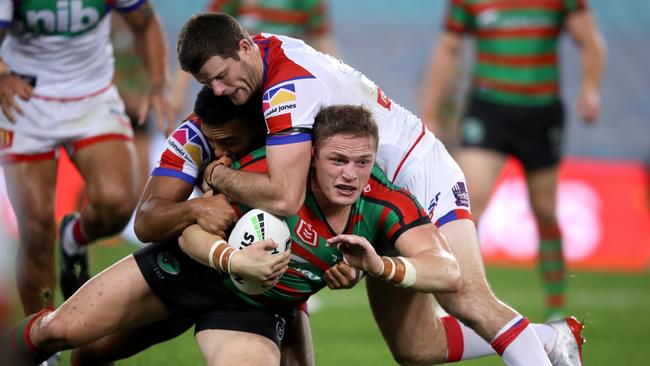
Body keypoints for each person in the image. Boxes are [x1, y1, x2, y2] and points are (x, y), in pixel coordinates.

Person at [177, 12, 583, 365]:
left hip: (419, 173)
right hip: (371, 192)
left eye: (220, 77)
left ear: (245, 48)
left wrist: (216, 176)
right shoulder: (266, 54)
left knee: (463, 296)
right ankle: (550, 339)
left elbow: (285, 195)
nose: (217, 90)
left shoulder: (288, 86)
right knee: (416, 347)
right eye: (207, 82)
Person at [7, 104, 463, 366]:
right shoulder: (266, 175)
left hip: (250, 307)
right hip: (185, 273)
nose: (350, 175)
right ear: (311, 155)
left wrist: (380, 265)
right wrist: (234, 259)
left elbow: (448, 271)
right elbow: (187, 233)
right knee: (64, 336)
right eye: (337, 160)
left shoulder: (384, 202)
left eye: (361, 162)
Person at [419, 0, 606, 320]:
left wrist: (590, 89)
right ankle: (450, 299)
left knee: (545, 211)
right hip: (488, 109)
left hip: (541, 112)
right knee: (465, 202)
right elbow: (448, 49)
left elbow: (589, 40)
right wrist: (430, 112)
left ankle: (556, 308)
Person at [0, 0, 175, 323]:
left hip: (92, 97)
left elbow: (145, 22)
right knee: (36, 226)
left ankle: (74, 238)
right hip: (27, 101)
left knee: (118, 203)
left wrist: (157, 84)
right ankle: (41, 345)